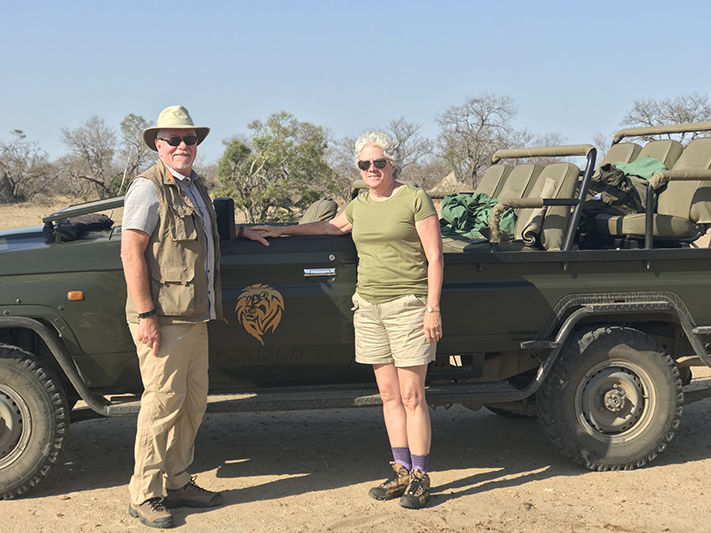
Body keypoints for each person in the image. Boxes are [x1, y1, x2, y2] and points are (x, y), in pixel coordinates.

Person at [255, 131, 443, 509]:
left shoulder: (414, 198)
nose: (372, 170)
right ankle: (402, 470)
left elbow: (435, 258)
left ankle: (421, 476)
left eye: (379, 163)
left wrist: (432, 308)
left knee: (412, 395)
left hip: (408, 304)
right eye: (364, 165)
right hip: (369, 306)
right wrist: (284, 230)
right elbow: (330, 227)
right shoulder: (360, 203)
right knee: (388, 395)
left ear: (392, 164)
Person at [121, 105, 267, 528]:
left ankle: (178, 482)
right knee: (162, 406)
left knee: (192, 403)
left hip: (194, 317)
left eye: (190, 140)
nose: (183, 146)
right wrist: (147, 314)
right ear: (158, 145)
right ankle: (144, 494)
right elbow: (131, 251)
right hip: (163, 318)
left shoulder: (193, 186)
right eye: (174, 140)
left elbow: (206, 232)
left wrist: (241, 232)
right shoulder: (148, 188)